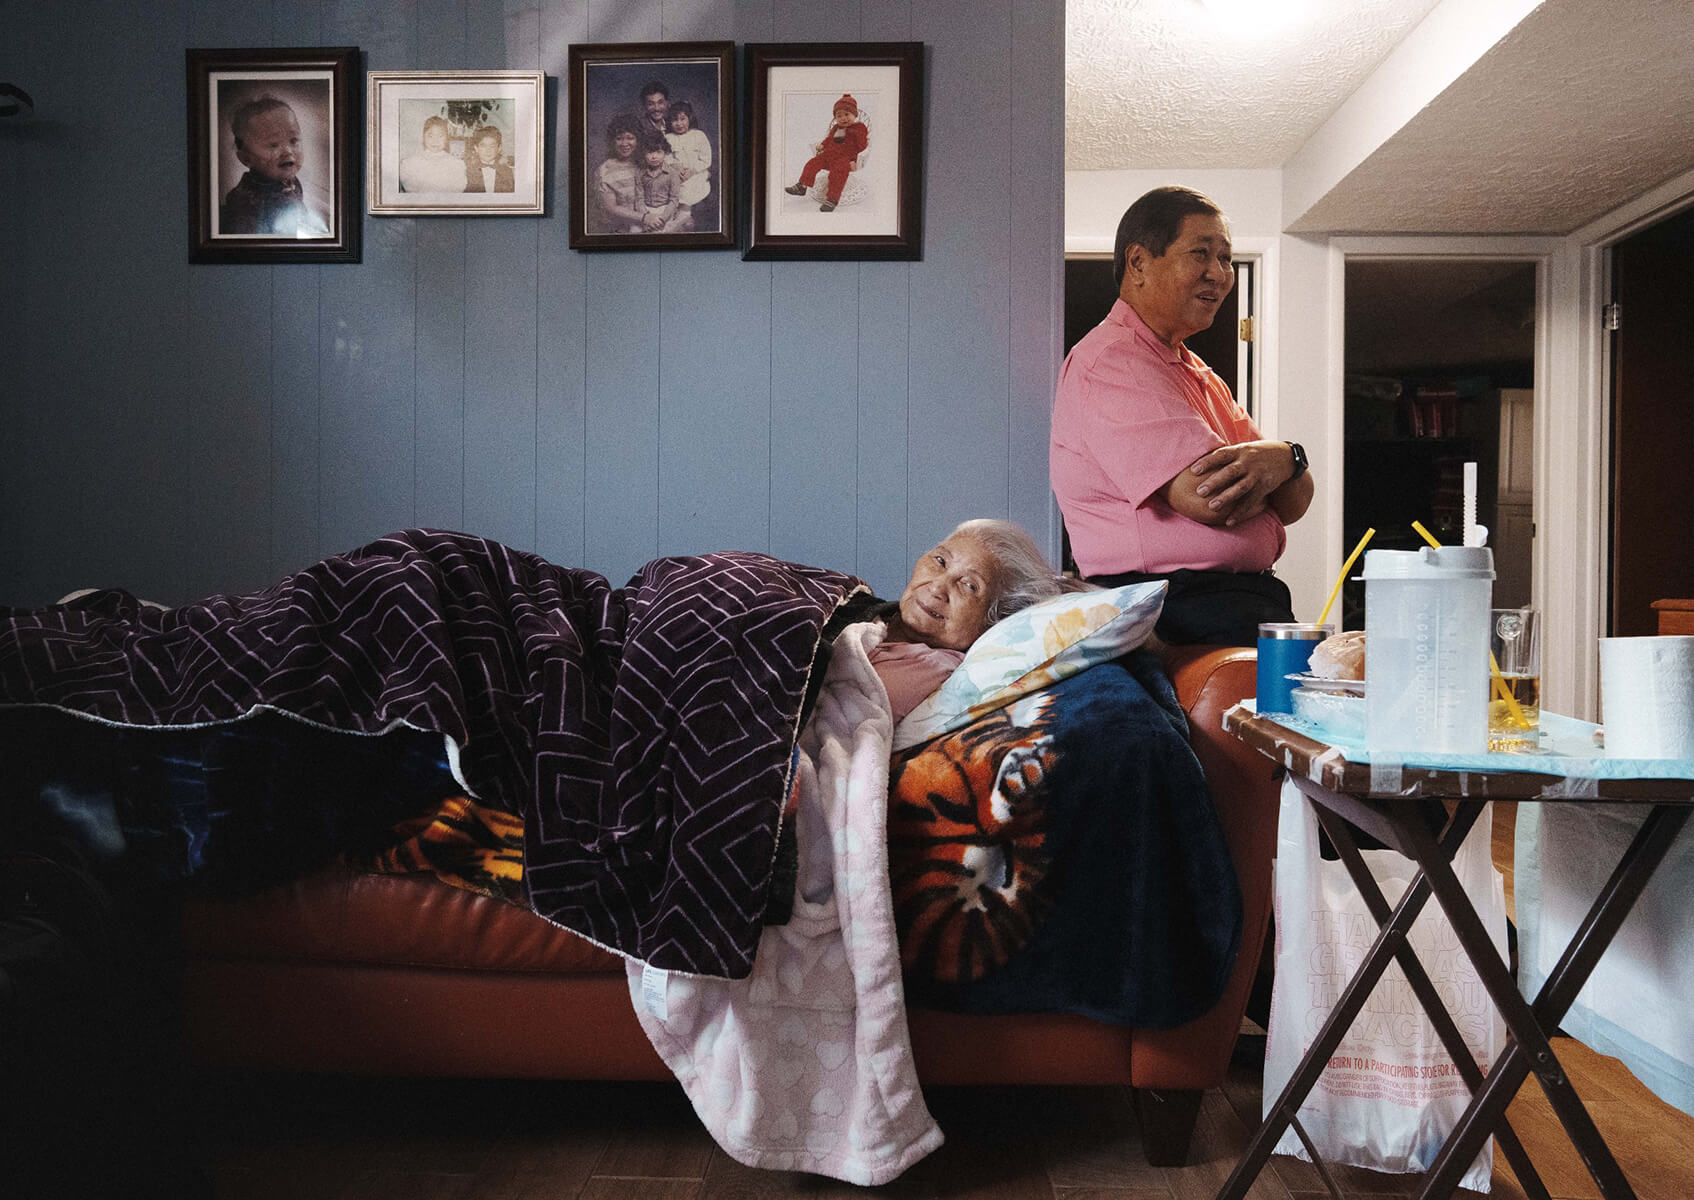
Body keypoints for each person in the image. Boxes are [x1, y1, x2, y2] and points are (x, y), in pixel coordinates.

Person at [1050, 186, 1314, 645]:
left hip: (1236, 601)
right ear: (1138, 263)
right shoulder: (1114, 360)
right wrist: (1275, 466)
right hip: (1174, 611)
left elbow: (1294, 502)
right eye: (1200, 253)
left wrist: (1285, 459)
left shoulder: (1199, 373)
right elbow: (1209, 497)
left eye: (1225, 258)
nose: (1220, 274)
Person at [865, 518, 1093, 722]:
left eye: (969, 585)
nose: (937, 587)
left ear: (994, 620)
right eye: (940, 561)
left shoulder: (932, 668)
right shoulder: (865, 603)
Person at [220, 95, 329, 236]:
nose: (287, 151)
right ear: (246, 158)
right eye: (273, 144)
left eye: (293, 140)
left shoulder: (288, 181)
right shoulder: (247, 205)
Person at [782, 94, 868, 213]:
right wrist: (823, 145)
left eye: (847, 114)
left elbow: (861, 145)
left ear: (854, 115)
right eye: (839, 116)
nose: (843, 118)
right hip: (828, 155)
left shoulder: (859, 127)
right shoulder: (836, 128)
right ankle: (802, 186)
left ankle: (832, 199)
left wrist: (853, 159)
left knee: (837, 174)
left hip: (845, 158)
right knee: (812, 163)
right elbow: (829, 139)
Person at [664, 100, 712, 226]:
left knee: (688, 188)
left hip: (696, 173)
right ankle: (673, 214)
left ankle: (683, 217)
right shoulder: (668, 137)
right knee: (671, 186)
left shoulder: (698, 135)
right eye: (675, 120)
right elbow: (666, 157)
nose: (679, 123)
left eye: (682, 119)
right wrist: (674, 166)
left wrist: (692, 171)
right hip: (676, 172)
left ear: (689, 118)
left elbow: (706, 158)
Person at [595, 114, 645, 233]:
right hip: (622, 232)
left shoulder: (645, 163)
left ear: (638, 140)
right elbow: (611, 208)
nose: (624, 143)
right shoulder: (605, 170)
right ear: (612, 141)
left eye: (630, 138)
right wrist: (645, 218)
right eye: (619, 138)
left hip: (652, 227)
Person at [398, 115, 466, 194]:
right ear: (424, 137)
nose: (435, 140)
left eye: (440, 136)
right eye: (430, 136)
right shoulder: (411, 163)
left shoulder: (456, 163)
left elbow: (457, 190)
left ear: (446, 138)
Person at [634, 133, 687, 233]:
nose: (654, 156)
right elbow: (639, 198)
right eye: (650, 152)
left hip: (665, 209)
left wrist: (662, 218)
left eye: (659, 152)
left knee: (662, 232)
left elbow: (674, 200)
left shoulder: (672, 174)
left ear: (665, 153)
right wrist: (646, 216)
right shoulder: (640, 173)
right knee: (635, 230)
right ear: (644, 153)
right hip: (646, 209)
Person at [463, 125, 515, 193]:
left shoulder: (508, 172)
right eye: (483, 146)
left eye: (492, 146)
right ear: (476, 148)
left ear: (499, 148)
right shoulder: (468, 171)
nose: (488, 150)